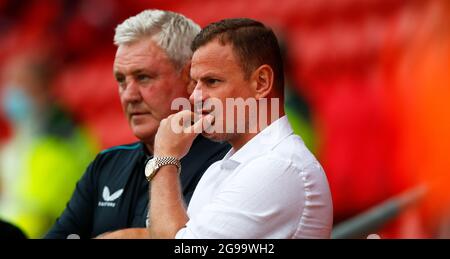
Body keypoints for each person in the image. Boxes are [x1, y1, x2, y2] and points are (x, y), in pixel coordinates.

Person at [45, 10, 230, 239]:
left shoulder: (230, 163)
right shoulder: (106, 165)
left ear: (191, 78)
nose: (129, 95)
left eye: (143, 77)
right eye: (121, 80)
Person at [143, 18, 333, 238]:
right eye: (195, 84)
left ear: (261, 82)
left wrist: (164, 159)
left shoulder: (279, 167)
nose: (194, 97)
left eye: (212, 81)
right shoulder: (221, 168)